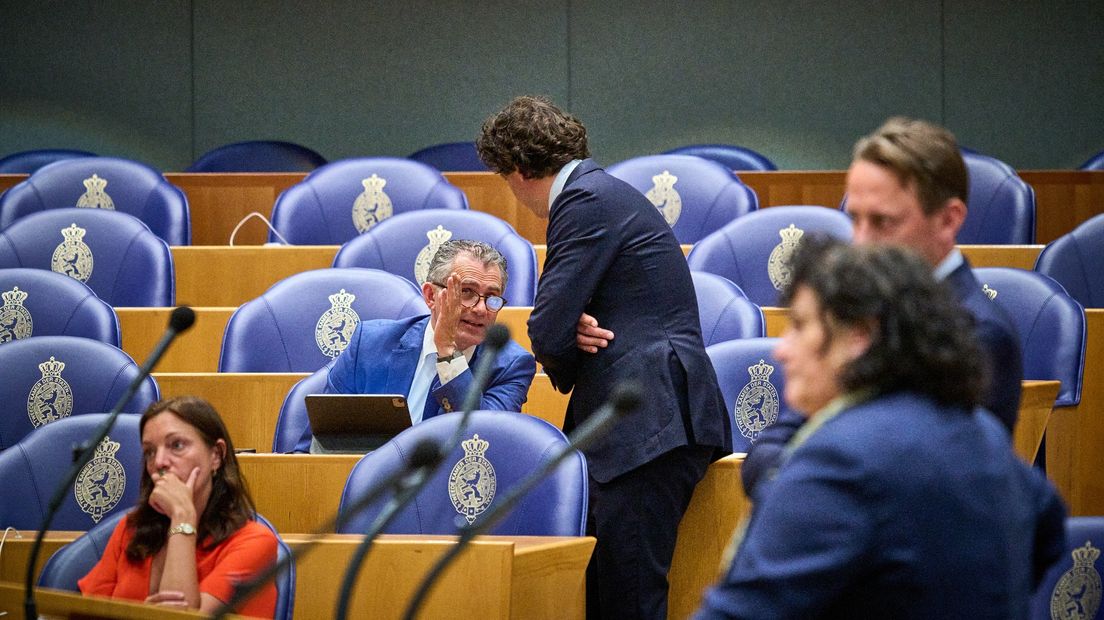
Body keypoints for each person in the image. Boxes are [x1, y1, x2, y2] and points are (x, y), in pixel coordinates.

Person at [695, 238, 1066, 618]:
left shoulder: (840, 459)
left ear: (859, 337)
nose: (781, 349)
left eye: (800, 326)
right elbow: (1049, 527)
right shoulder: (981, 433)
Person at [478, 95, 731, 619]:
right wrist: (571, 325)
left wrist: (565, 343)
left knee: (628, 597)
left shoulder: (585, 199)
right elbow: (563, 318)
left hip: (646, 424)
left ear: (521, 170)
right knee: (613, 592)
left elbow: (546, 328)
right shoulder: (605, 193)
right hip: (649, 421)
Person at [742, 116, 1024, 499]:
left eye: (882, 222)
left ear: (948, 220)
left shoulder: (978, 332)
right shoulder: (854, 308)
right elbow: (772, 445)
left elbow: (927, 482)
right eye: (854, 219)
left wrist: (807, 484)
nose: (861, 242)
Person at [292, 239, 536, 451]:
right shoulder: (368, 345)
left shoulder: (511, 366)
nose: (481, 309)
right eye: (467, 292)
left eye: (491, 298)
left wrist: (448, 352)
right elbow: (314, 448)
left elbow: (483, 440)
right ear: (431, 296)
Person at [79, 396, 278, 618]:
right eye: (150, 452)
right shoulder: (131, 529)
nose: (160, 462)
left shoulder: (255, 543)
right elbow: (87, 614)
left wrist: (182, 517)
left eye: (177, 445)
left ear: (216, 455)